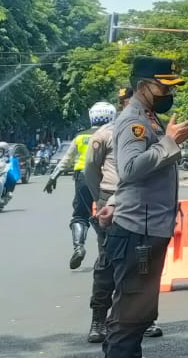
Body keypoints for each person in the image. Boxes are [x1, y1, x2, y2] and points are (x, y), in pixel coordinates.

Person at [96, 56, 188, 358]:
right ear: (143, 87)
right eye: (164, 88)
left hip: (147, 227)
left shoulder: (149, 117)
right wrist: (170, 142)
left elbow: (134, 179)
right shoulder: (134, 121)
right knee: (130, 314)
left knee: (139, 314)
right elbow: (129, 169)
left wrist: (115, 201)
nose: (169, 94)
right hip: (137, 233)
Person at [82, 87, 163, 344]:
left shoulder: (153, 130)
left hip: (143, 203)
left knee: (143, 263)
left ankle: (143, 317)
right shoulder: (105, 133)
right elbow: (90, 170)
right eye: (128, 102)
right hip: (111, 199)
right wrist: (101, 199)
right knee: (108, 263)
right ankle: (99, 319)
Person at [47, 101, 117, 269]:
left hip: (83, 178)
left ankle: (79, 247)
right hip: (108, 180)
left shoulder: (81, 136)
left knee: (80, 215)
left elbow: (67, 159)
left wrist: (53, 177)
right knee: (108, 214)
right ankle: (106, 251)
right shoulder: (115, 134)